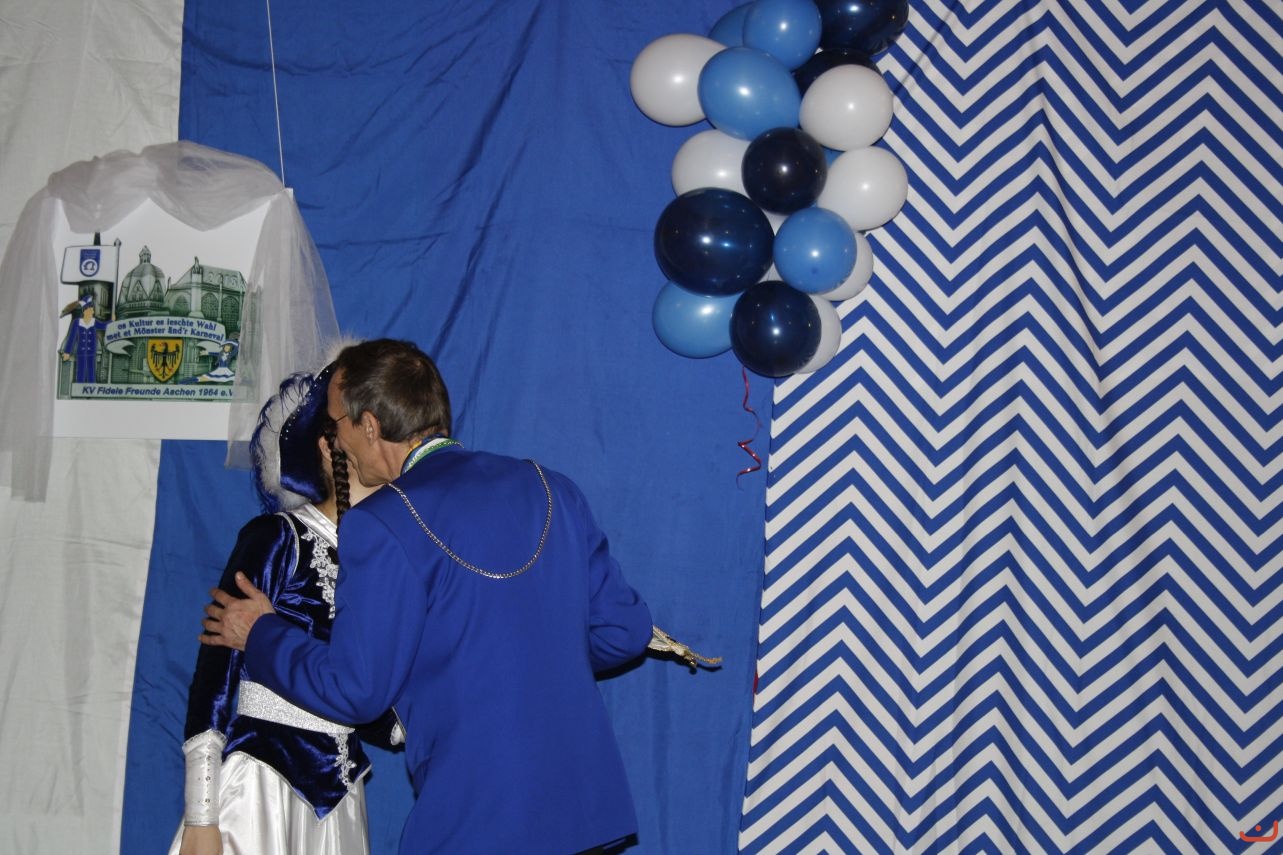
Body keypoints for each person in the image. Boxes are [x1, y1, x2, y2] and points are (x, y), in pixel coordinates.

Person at [201, 338, 655, 855]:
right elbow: (626, 631)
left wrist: (260, 632)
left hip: (477, 820)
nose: (334, 438)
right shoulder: (552, 487)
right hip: (585, 814)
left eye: (336, 422)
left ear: (369, 426)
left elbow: (354, 690)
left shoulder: (380, 523)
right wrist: (529, 654)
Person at [175, 366, 403, 855]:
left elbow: (367, 699)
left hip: (340, 801)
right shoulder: (278, 538)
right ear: (329, 445)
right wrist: (202, 813)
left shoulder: (385, 563)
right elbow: (215, 675)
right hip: (262, 791)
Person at [58, 293, 109, 383]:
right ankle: (79, 389)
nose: (93, 312)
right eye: (91, 310)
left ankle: (91, 389)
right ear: (85, 311)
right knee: (80, 374)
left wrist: (112, 321)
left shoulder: (94, 322)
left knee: (91, 374)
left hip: (91, 353)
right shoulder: (77, 322)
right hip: (81, 353)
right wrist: (67, 352)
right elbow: (72, 337)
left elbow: (104, 326)